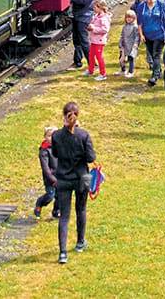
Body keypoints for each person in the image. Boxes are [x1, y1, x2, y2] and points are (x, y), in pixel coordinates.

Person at [50, 102, 96, 263]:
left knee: (64, 216)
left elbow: (55, 154)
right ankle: (80, 242)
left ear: (64, 116)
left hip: (63, 178)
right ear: (78, 116)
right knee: (81, 210)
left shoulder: (56, 136)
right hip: (81, 178)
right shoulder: (83, 135)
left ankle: (62, 252)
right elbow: (91, 158)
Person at [137, 0, 165, 87]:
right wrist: (141, 34)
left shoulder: (161, 5)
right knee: (152, 55)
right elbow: (139, 22)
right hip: (147, 35)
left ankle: (155, 76)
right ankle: (158, 70)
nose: (148, 1)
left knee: (156, 54)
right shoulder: (141, 6)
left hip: (160, 34)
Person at [69, 0, 98, 70]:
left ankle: (92, 64)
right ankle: (77, 62)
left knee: (84, 41)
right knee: (76, 40)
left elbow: (83, 0)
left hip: (84, 15)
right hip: (78, 13)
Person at [34, 127, 60, 219]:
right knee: (50, 196)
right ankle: (39, 203)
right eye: (49, 136)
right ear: (45, 137)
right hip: (50, 178)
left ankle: (56, 211)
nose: (52, 138)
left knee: (60, 196)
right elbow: (45, 168)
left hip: (61, 176)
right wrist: (53, 179)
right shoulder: (44, 150)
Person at [87, 0, 111, 81]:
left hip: (99, 41)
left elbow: (105, 29)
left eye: (95, 7)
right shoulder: (97, 15)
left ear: (100, 8)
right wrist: (90, 26)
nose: (93, 8)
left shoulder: (104, 18)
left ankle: (103, 74)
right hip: (94, 40)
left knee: (99, 57)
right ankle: (90, 70)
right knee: (91, 55)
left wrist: (94, 28)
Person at [119, 10, 140, 78]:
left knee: (131, 58)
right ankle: (123, 70)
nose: (128, 19)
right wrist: (120, 43)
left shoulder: (135, 27)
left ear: (134, 18)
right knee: (121, 58)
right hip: (125, 45)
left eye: (130, 18)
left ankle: (131, 72)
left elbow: (137, 36)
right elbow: (122, 35)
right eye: (127, 17)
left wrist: (135, 44)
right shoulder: (124, 26)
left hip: (132, 46)